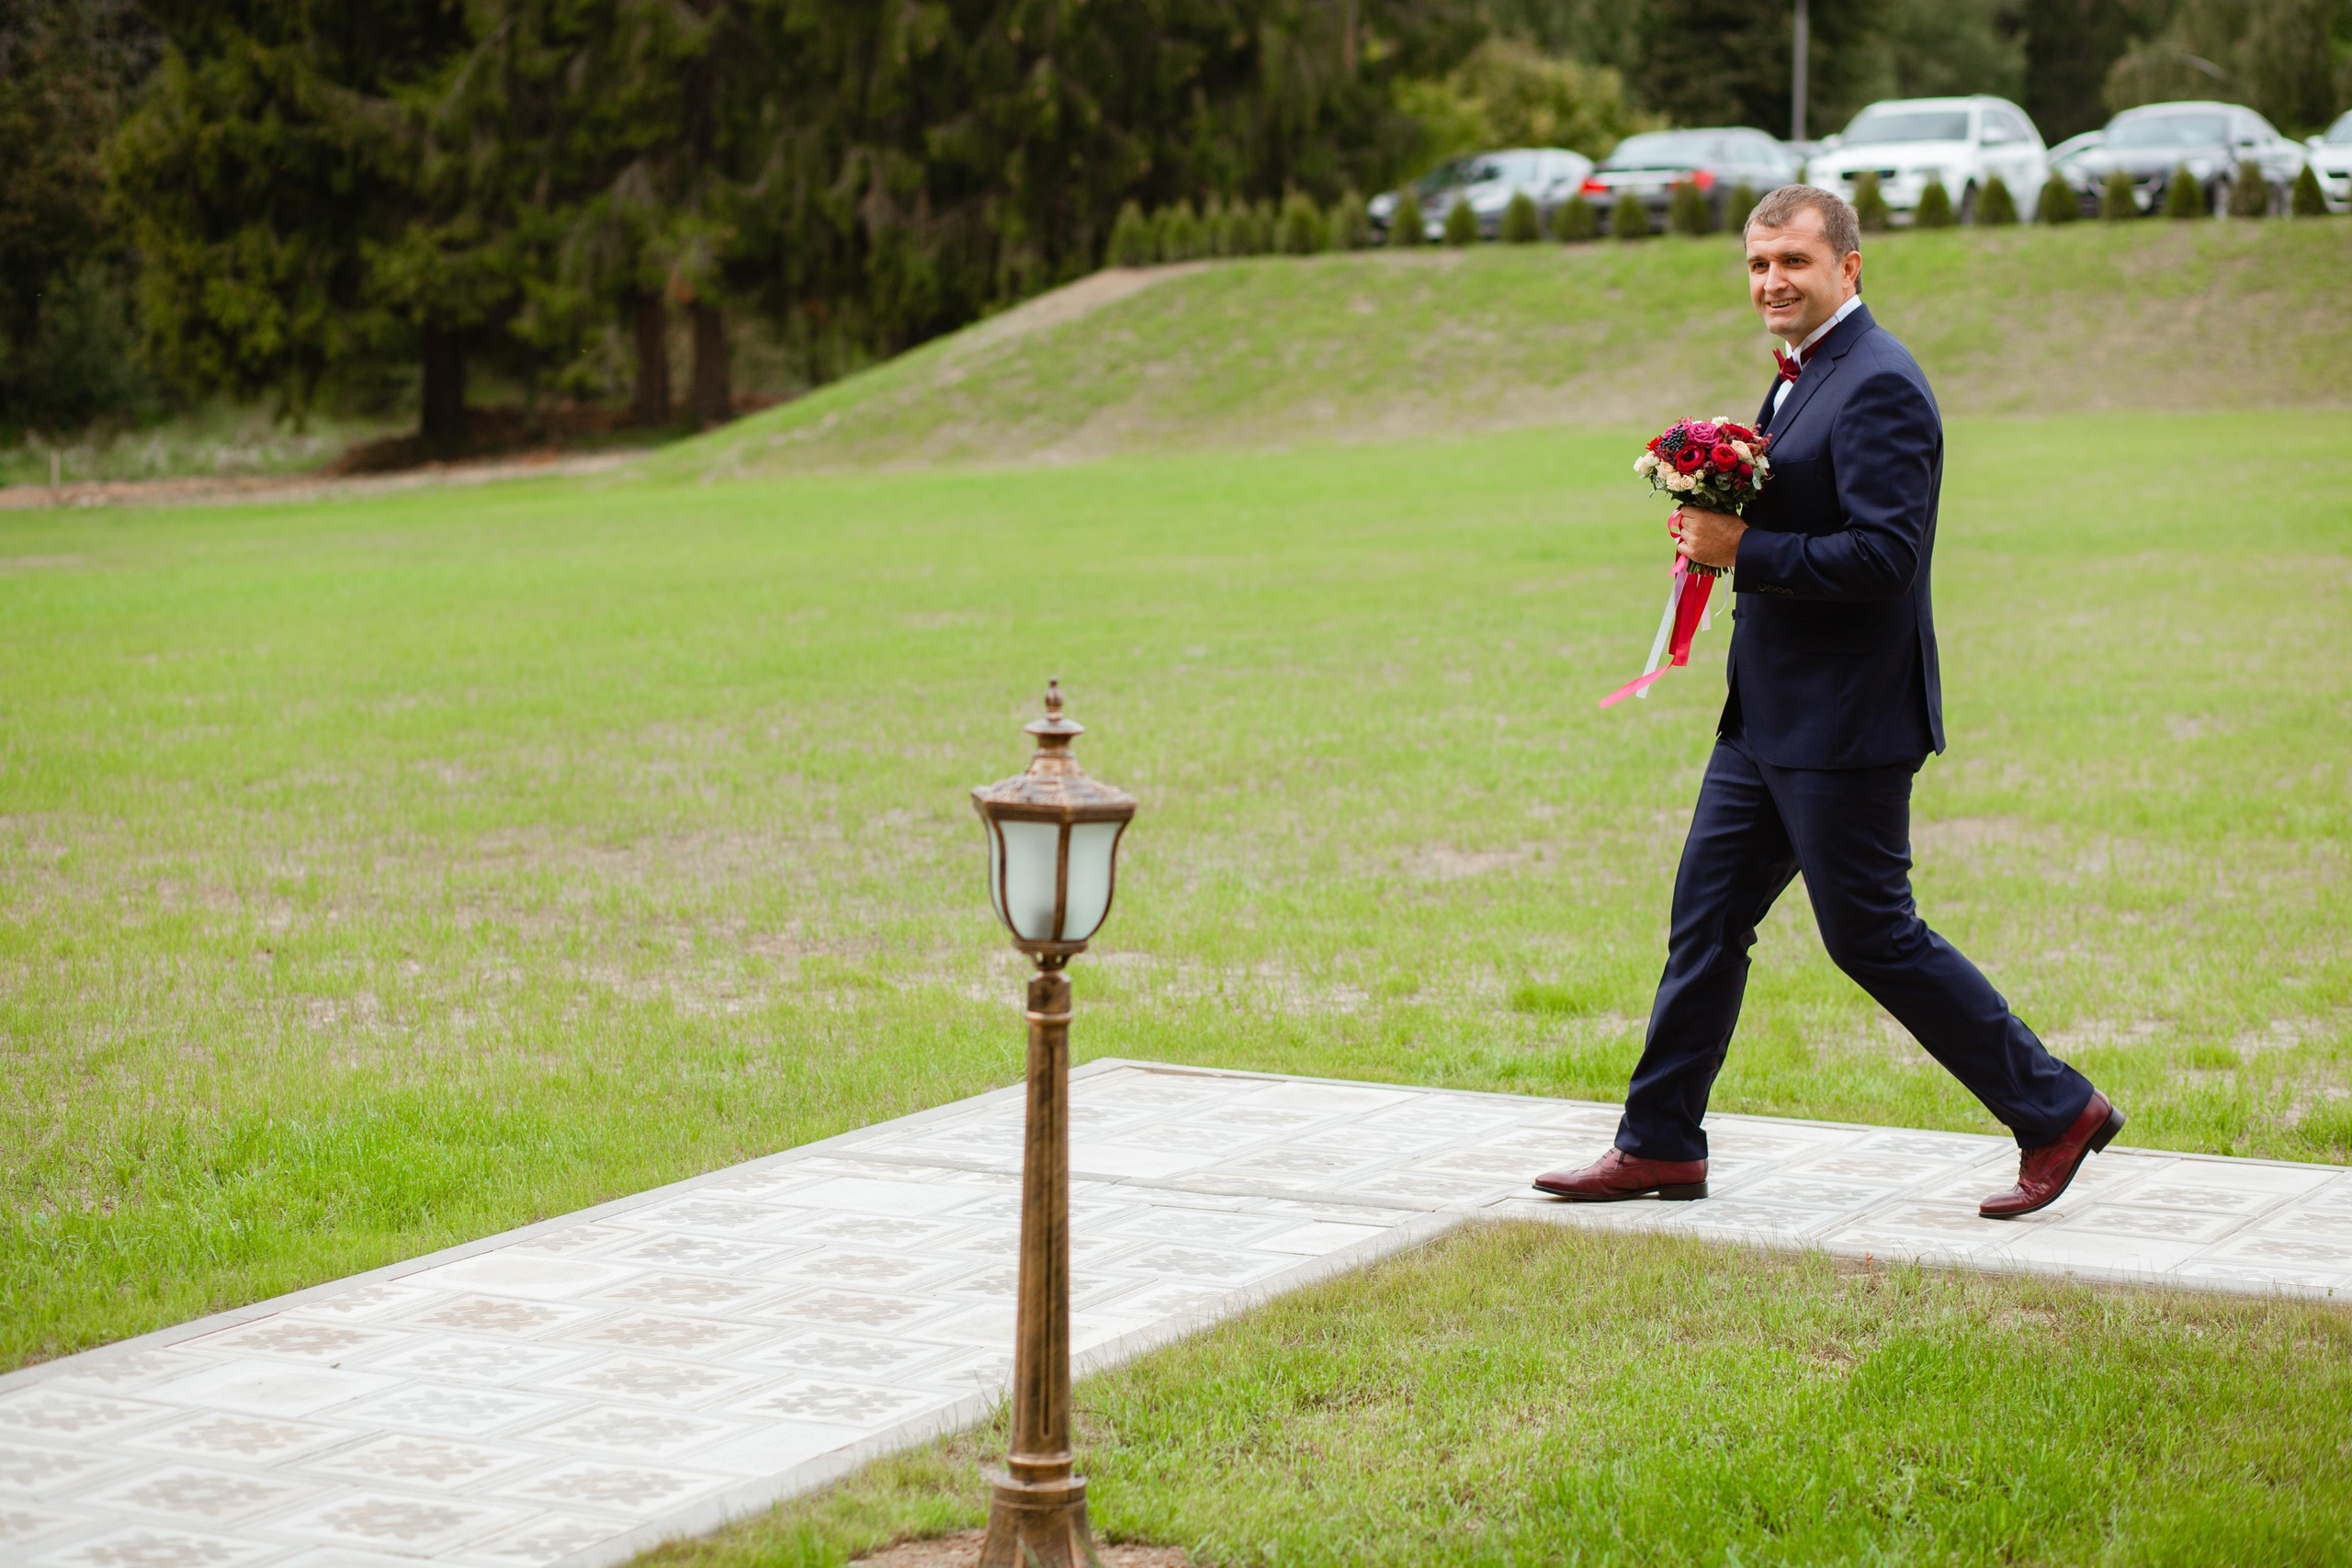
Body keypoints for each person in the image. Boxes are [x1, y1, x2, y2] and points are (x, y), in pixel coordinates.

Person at [1534, 186, 2121, 1221]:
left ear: (1848, 268)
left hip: (1845, 722)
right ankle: (1660, 1144)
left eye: (1794, 263)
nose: (1772, 282)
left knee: (1872, 937)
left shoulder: (1881, 382)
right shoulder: (1798, 380)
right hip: (1762, 717)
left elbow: (1886, 558)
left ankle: (2057, 1110)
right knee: (1705, 922)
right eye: (1758, 265)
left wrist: (1741, 548)